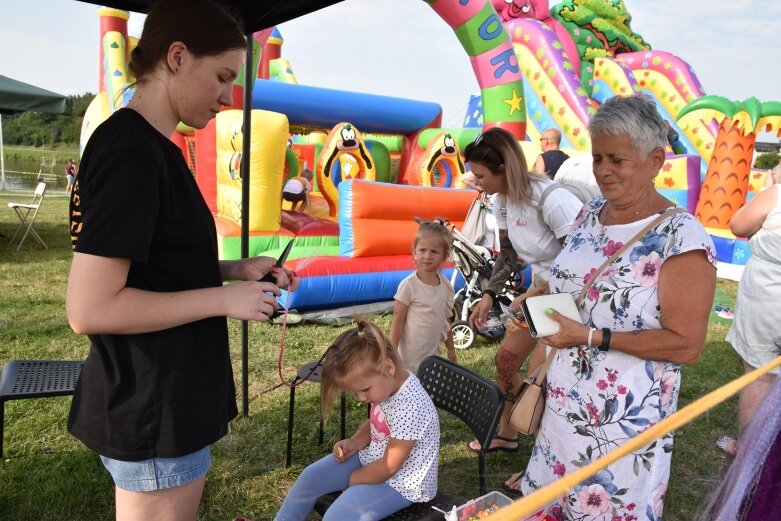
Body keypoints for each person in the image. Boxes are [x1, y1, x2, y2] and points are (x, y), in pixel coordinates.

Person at [65, 1, 299, 520]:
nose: (226, 96)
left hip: (165, 393)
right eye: (221, 76)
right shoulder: (131, 151)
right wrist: (223, 298)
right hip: (154, 402)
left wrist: (234, 272)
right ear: (176, 56)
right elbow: (90, 308)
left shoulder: (160, 148)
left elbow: (150, 265)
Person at [513, 94, 716, 520]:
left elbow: (686, 346)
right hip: (564, 406)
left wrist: (588, 336)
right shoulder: (590, 214)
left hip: (623, 425)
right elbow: (577, 276)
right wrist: (542, 291)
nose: (603, 170)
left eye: (618, 160)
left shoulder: (681, 237)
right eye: (598, 157)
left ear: (656, 159)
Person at [463, 127, 583, 453]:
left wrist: (536, 292)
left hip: (570, 302)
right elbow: (508, 255)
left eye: (479, 175)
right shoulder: (502, 200)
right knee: (505, 360)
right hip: (542, 297)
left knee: (539, 383)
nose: (475, 181)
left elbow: (584, 262)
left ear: (503, 168)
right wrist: (489, 295)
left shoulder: (550, 199)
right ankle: (509, 434)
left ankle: (545, 459)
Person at [274, 319, 440, 521]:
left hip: (403, 484)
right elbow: (377, 422)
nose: (361, 398)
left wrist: (354, 479)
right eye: (355, 392)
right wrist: (355, 442)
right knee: (311, 477)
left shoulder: (411, 405)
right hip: (375, 460)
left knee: (339, 515)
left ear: (388, 367)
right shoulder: (385, 387)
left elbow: (389, 467)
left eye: (364, 390)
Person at [718, 175, 781, 456]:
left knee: (758, 374)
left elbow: (738, 224)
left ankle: (747, 450)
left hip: (769, 293)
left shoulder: (776, 193)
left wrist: (768, 190)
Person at [389, 219, 457, 373]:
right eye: (422, 250)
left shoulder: (445, 286)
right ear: (414, 252)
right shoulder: (409, 286)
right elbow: (397, 323)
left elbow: (445, 320)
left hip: (432, 360)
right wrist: (390, 355)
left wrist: (451, 350)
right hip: (408, 362)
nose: (427, 256)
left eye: (434, 252)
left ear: (445, 255)